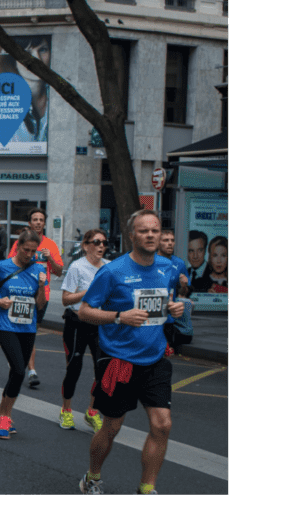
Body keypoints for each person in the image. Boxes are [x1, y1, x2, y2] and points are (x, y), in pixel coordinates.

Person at [78, 210, 184, 495]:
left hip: (156, 358)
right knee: (112, 427)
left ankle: (146, 488)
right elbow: (85, 311)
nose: (151, 235)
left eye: (155, 230)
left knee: (162, 425)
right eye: (144, 231)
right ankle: (92, 476)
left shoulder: (168, 268)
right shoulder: (113, 271)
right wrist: (118, 317)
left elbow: (165, 306)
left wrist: (175, 309)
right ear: (131, 236)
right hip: (120, 360)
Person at [0, 230, 48, 439]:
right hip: (5, 324)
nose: (29, 254)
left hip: (28, 327)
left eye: (33, 251)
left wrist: (43, 286)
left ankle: (0, 413)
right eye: (26, 250)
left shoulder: (38, 269)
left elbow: (40, 305)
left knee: (16, 373)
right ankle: (6, 417)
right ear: (18, 247)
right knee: (18, 370)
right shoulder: (2, 267)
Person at [58, 229, 108, 433]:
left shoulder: (109, 267)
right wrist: (87, 292)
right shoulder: (77, 267)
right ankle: (66, 410)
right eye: (96, 242)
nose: (101, 246)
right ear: (86, 246)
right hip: (77, 322)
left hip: (100, 323)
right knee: (74, 367)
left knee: (102, 370)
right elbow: (65, 299)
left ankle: (92, 411)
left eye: (104, 242)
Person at [8, 208, 64, 388]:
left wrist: (50, 259)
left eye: (41, 219)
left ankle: (26, 367)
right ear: (30, 223)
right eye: (35, 219)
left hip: (41, 295)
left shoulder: (51, 245)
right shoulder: (20, 242)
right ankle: (26, 368)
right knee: (22, 331)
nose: (38, 222)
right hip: (20, 294)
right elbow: (10, 265)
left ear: (44, 223)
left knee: (31, 332)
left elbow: (59, 270)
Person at [158, 230, 194, 354]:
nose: (170, 243)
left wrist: (184, 285)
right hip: (152, 312)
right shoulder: (150, 260)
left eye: (172, 240)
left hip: (168, 314)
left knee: (167, 353)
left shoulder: (179, 263)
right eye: (165, 240)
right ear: (158, 243)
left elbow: (184, 293)